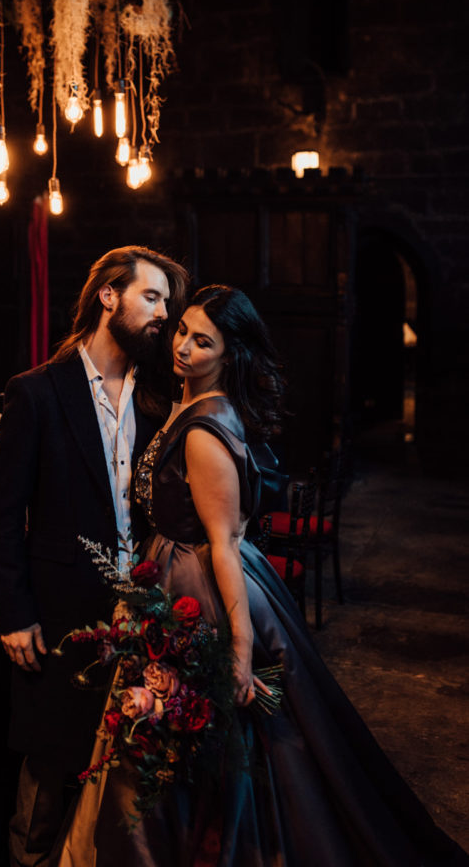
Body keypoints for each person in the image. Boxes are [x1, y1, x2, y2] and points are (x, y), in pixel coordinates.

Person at [53, 284, 468, 867]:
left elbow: (223, 544)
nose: (185, 348)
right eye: (183, 332)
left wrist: (240, 649)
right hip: (177, 567)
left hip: (197, 579)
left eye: (204, 342)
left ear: (229, 354)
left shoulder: (202, 431)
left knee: (199, 735)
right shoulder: (195, 402)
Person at [0, 245, 189, 867]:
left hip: (142, 620)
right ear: (109, 296)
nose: (163, 314)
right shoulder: (37, 393)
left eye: (167, 304)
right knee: (48, 783)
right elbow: (3, 513)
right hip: (63, 617)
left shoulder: (159, 397)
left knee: (123, 788)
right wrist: (14, 613)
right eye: (151, 297)